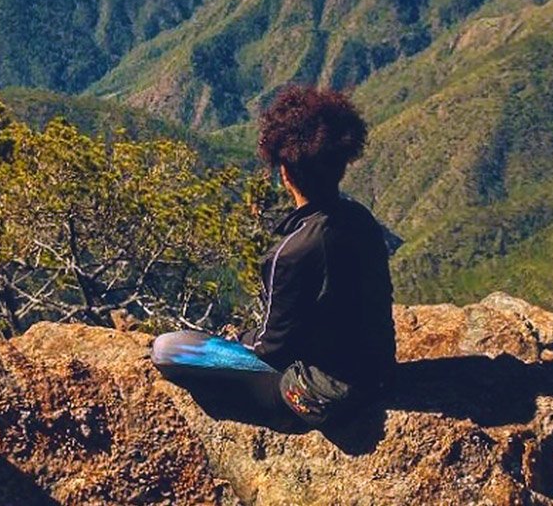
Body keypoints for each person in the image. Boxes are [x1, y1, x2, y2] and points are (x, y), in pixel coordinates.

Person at [151, 85, 396, 428]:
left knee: (168, 349)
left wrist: (239, 339)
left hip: (317, 395)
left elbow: (272, 349)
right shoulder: (360, 220)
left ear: (285, 172)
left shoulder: (293, 251)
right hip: (378, 373)